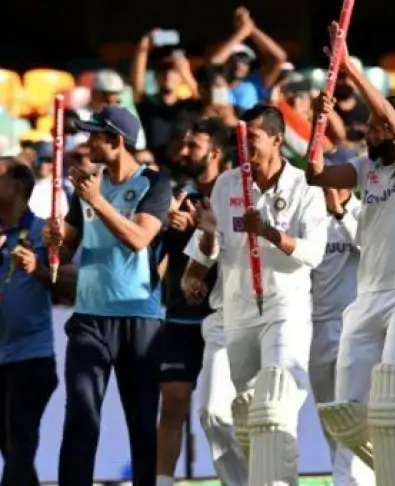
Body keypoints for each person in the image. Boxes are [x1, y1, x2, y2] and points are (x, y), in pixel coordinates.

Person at [307, 29, 395, 486]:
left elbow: (391, 115)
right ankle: (377, 475)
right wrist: (318, 124)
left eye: (377, 125)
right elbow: (314, 174)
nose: (369, 132)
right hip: (367, 297)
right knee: (348, 410)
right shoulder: (366, 169)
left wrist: (350, 69)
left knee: (393, 399)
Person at [181, 104, 328, 486]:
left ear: (278, 140)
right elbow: (207, 249)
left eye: (254, 140)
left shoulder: (305, 185)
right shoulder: (227, 184)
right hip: (235, 313)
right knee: (226, 414)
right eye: (240, 141)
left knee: (274, 409)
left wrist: (268, 232)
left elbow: (313, 253)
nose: (244, 148)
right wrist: (195, 270)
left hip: (285, 310)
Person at [46, 106, 173, 486]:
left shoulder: (155, 182)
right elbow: (65, 252)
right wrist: (54, 242)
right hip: (89, 318)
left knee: (141, 422)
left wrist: (98, 201)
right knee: (81, 417)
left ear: (117, 141)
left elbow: (138, 239)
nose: (86, 144)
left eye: (94, 137)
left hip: (139, 318)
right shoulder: (88, 186)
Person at [155, 119, 247, 486]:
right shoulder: (177, 196)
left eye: (193, 145)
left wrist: (200, 229)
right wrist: (165, 225)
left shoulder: (238, 194)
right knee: (173, 401)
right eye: (183, 144)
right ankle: (162, 480)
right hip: (182, 315)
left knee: (228, 411)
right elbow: (160, 262)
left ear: (214, 153)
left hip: (229, 317)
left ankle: (245, 477)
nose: (183, 151)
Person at [0, 159, 72, 486]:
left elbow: (70, 287)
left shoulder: (43, 234)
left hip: (31, 358)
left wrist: (39, 269)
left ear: (16, 187)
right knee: (13, 449)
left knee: (20, 443)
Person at [309, 187, 366, 486]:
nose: (328, 189)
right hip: (316, 327)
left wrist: (342, 214)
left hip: (353, 326)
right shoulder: (314, 217)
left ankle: (351, 481)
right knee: (328, 414)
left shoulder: (364, 211)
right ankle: (341, 476)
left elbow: (370, 248)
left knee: (351, 411)